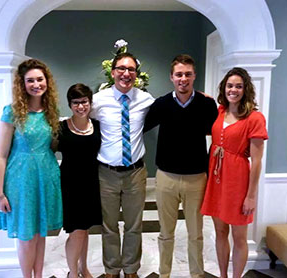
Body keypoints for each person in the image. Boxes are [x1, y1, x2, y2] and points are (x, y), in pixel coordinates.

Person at [144, 54, 218, 278]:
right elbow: (140, 126)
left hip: (197, 178)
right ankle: (164, 274)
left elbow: (216, 129)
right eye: (179, 74)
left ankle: (197, 274)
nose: (183, 78)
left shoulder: (206, 103)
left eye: (187, 74)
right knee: (166, 233)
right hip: (166, 177)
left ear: (194, 76)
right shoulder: (162, 104)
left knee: (196, 234)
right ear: (171, 77)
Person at [0, 59, 63, 278]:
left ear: (47, 82)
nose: (36, 84)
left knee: (40, 233)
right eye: (30, 80)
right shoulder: (12, 112)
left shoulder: (51, 112)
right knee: (26, 236)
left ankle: (39, 275)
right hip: (20, 180)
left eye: (40, 79)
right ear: (22, 84)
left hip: (46, 177)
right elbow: (0, 155)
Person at [90, 52, 154, 278]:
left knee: (134, 225)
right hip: (106, 173)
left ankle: (131, 269)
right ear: (113, 72)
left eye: (131, 70)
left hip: (136, 172)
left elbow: (169, 109)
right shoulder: (98, 100)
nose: (126, 74)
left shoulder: (146, 99)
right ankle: (111, 269)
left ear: (136, 74)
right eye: (121, 69)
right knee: (108, 226)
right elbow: (81, 125)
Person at [201, 67, 268, 278]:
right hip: (216, 180)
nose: (234, 90)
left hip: (238, 182)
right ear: (224, 88)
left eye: (238, 86)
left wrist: (250, 196)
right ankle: (223, 275)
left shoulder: (255, 118)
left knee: (239, 237)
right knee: (220, 232)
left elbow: (256, 162)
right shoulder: (220, 111)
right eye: (230, 85)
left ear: (245, 89)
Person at [57, 83, 102, 278]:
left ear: (90, 103)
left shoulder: (98, 126)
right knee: (76, 231)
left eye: (84, 102)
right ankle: (73, 273)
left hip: (92, 184)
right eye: (76, 103)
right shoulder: (61, 128)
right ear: (70, 104)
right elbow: (48, 153)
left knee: (85, 230)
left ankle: (84, 268)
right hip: (70, 185)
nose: (81, 106)